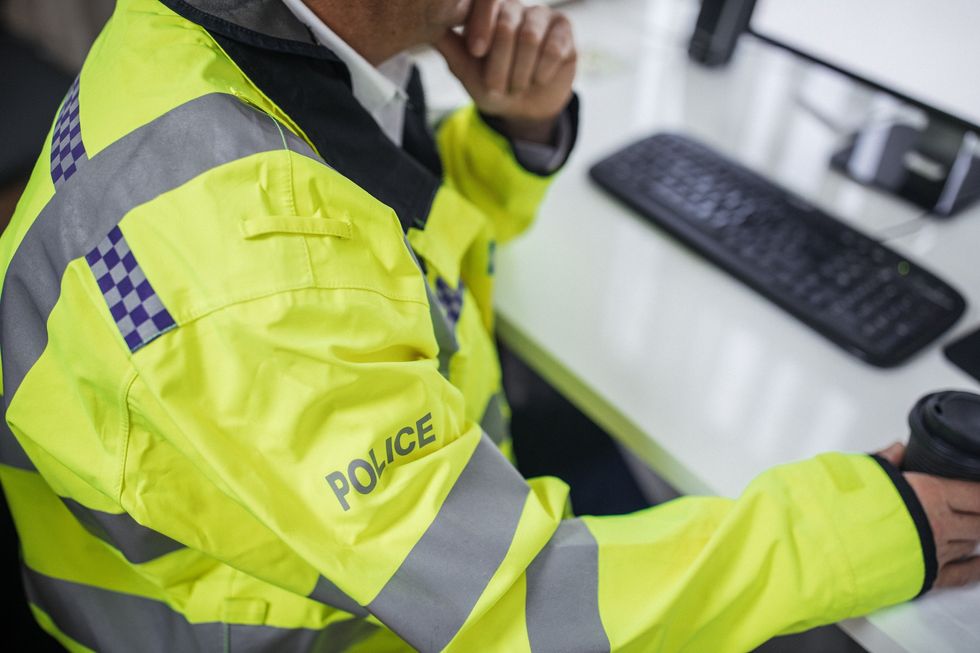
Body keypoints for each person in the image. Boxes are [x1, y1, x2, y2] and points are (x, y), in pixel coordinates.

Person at [1, 0, 979, 651]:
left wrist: (514, 137)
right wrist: (876, 524)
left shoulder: (226, 50)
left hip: (361, 549)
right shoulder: (241, 264)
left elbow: (369, 254)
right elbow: (515, 606)